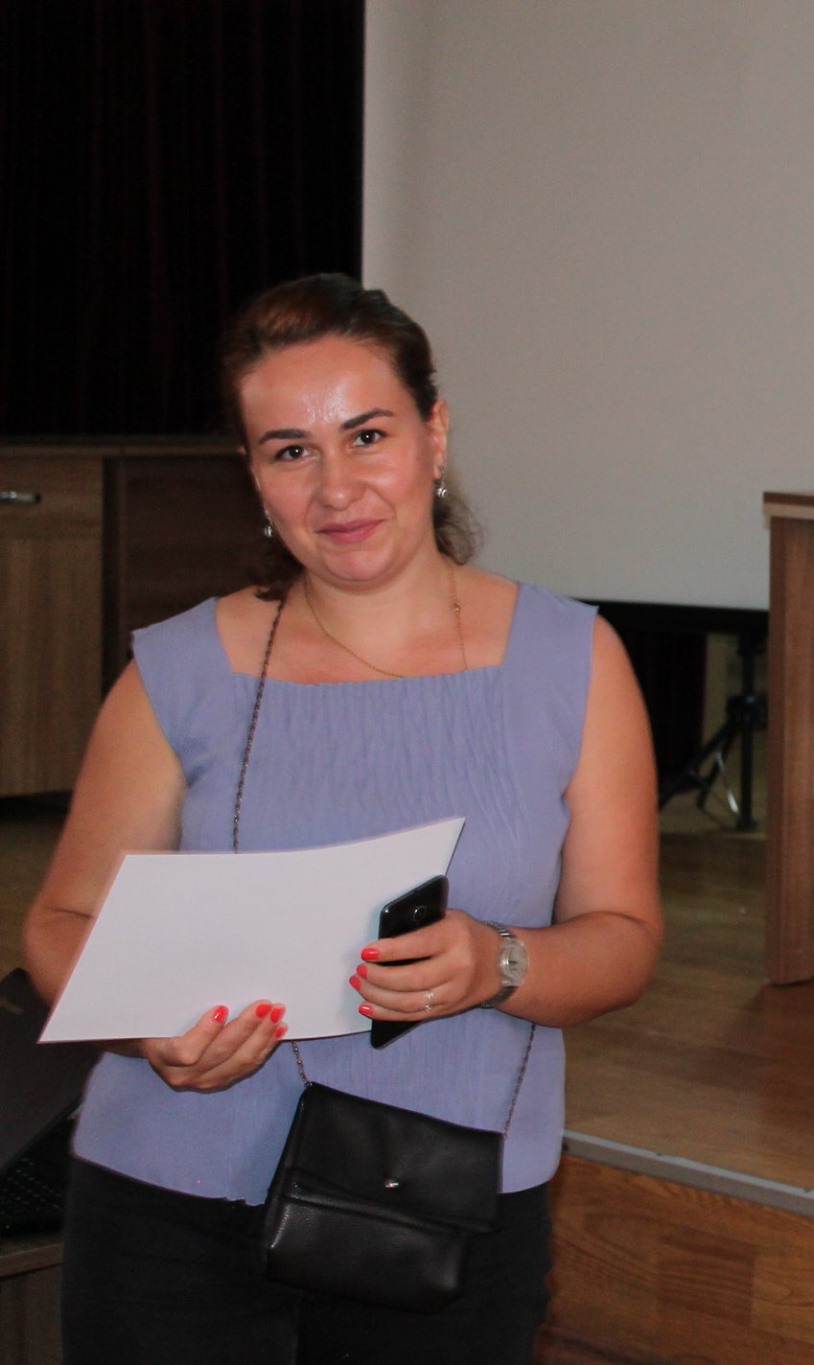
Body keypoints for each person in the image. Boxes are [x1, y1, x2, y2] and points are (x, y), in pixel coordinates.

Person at [22, 273, 662, 1363]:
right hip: (168, 1209)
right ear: (253, 474)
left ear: (434, 433)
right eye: (291, 450)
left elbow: (625, 938)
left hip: (441, 1209)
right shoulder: (180, 668)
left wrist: (497, 962)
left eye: (367, 435)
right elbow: (59, 924)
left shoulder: (571, 660)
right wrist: (146, 1026)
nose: (336, 487)